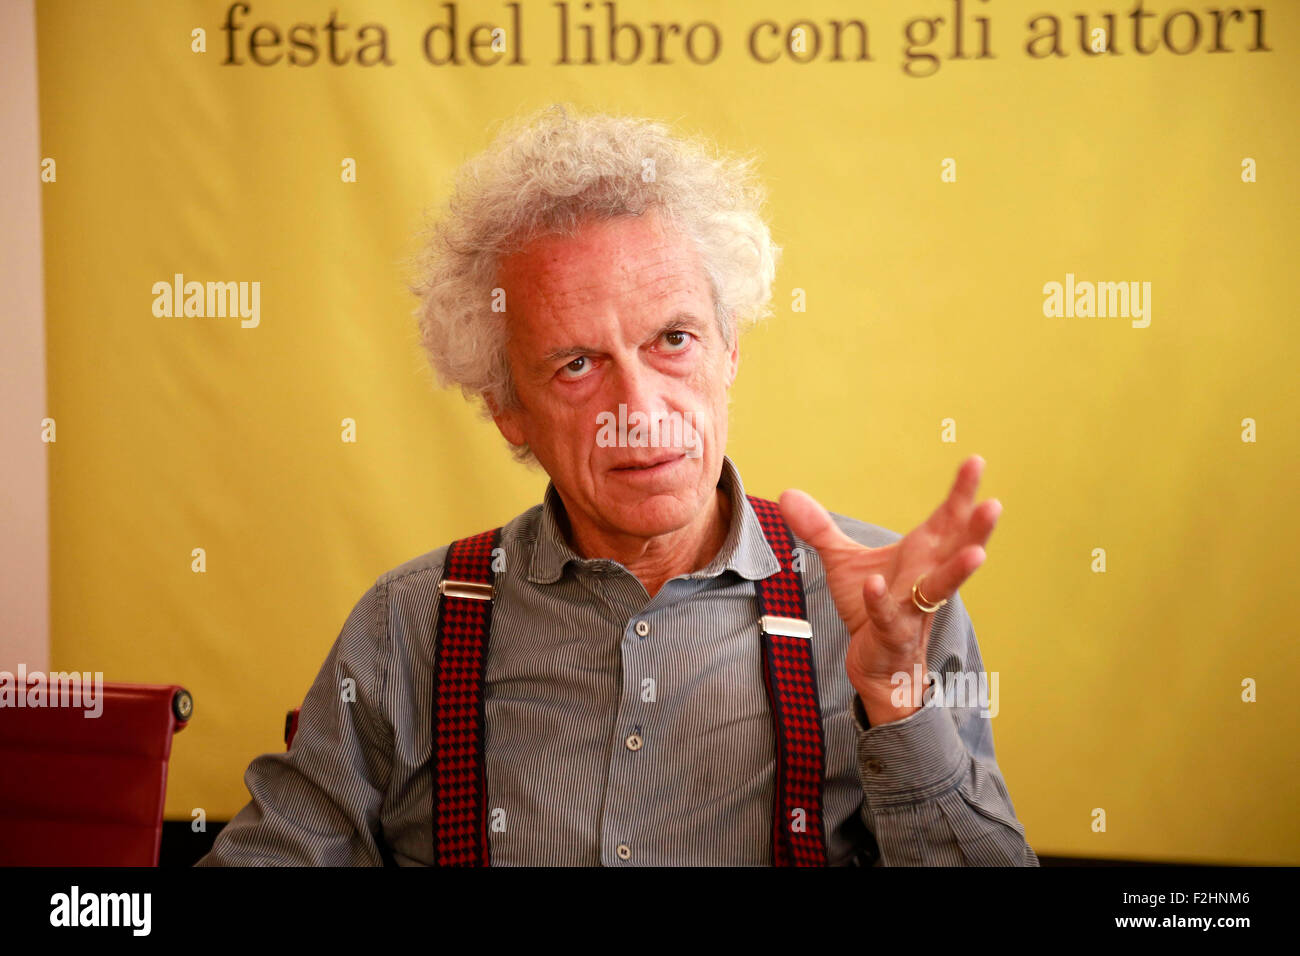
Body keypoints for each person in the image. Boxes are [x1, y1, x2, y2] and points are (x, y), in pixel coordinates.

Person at [197, 103, 1037, 866]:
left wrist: (896, 700)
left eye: (673, 338)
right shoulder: (407, 628)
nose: (638, 409)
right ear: (506, 409)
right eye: (576, 363)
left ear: (730, 349)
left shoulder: (893, 607)